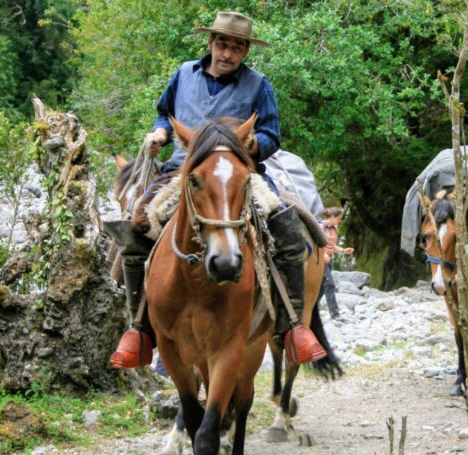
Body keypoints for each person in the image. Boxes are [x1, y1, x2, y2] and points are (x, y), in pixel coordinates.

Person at [110, 11, 323, 369]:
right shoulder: (183, 74)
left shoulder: (258, 84)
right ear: (211, 43)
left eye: (237, 47)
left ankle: (292, 325)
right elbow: (164, 113)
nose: (228, 53)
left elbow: (271, 135)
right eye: (223, 44)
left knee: (284, 224)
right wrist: (160, 133)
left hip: (237, 173)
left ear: (245, 51)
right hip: (183, 171)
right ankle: (139, 329)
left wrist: (251, 145)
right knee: (136, 225)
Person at [319, 207, 354, 321]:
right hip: (319, 260)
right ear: (332, 217)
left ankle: (313, 311)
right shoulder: (320, 227)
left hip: (329, 259)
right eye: (339, 218)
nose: (340, 221)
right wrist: (322, 254)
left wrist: (343, 250)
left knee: (321, 288)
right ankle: (335, 314)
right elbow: (314, 243)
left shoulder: (334, 228)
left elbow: (332, 245)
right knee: (330, 284)